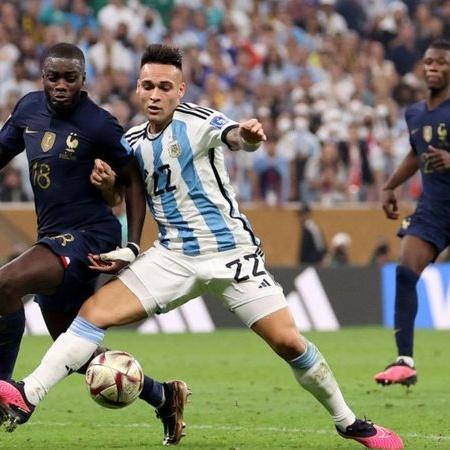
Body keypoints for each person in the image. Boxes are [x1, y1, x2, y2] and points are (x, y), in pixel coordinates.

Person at [0, 44, 403, 449]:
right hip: (173, 255)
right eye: (147, 86)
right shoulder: (134, 140)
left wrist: (246, 136)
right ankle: (28, 394)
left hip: (231, 255)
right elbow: (125, 193)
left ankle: (351, 424)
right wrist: (110, 193)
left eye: (164, 87)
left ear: (180, 90)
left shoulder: (198, 120)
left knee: (288, 342)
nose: (154, 95)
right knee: (93, 313)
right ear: (138, 90)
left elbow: (232, 136)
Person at [0, 43, 188, 445]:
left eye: (71, 78)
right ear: (43, 77)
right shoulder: (28, 110)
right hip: (51, 237)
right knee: (74, 353)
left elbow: (132, 178)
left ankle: (6, 391)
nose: (62, 86)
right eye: (54, 77)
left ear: (84, 80)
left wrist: (132, 245)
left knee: (5, 283)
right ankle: (164, 395)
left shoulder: (99, 124)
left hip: (90, 237)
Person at [374, 39, 450, 387]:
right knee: (406, 272)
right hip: (434, 208)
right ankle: (404, 360)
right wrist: (390, 186)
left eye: (441, 63)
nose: (433, 68)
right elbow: (415, 154)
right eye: (429, 62)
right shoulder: (416, 113)